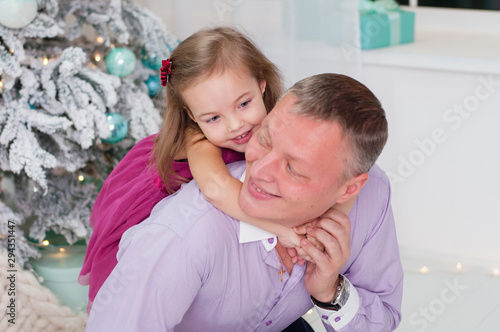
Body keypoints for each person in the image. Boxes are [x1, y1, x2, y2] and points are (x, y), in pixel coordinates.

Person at [85, 73, 404, 332]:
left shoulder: (372, 193)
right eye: (263, 139)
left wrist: (330, 292)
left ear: (349, 189)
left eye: (293, 168)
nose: (259, 171)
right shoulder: (183, 237)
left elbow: (384, 319)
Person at [79, 27, 345, 313]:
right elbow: (217, 189)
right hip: (145, 203)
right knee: (137, 298)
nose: (235, 125)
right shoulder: (197, 139)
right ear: (192, 116)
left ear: (262, 84)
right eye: (214, 117)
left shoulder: (273, 123)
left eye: (244, 104)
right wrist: (280, 227)